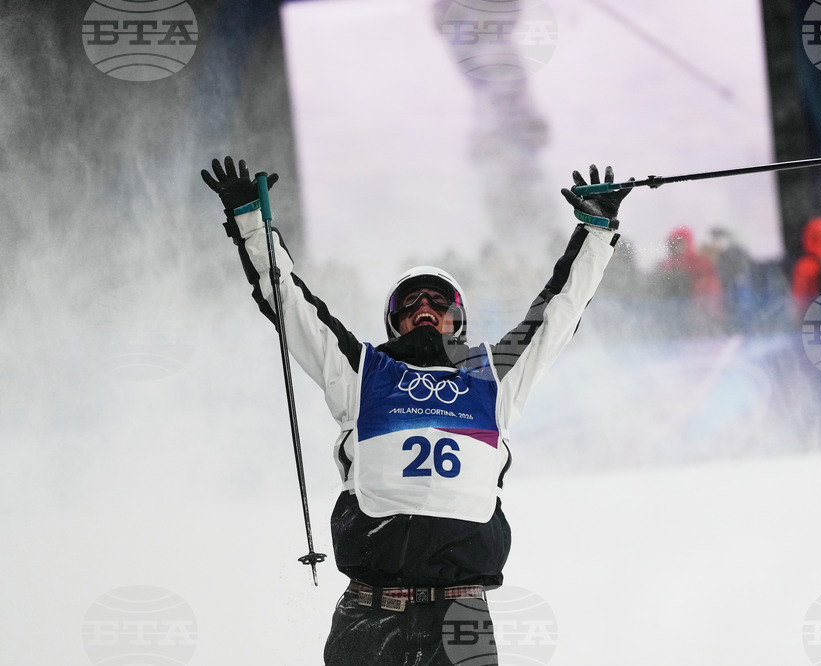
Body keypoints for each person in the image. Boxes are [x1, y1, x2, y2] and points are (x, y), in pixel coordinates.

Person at [201, 157, 630, 666]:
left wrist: (596, 230)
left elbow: (557, 313)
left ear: (459, 320)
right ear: (393, 320)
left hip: (462, 617)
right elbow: (292, 305)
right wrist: (252, 223)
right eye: (411, 302)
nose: (426, 306)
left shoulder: (493, 376)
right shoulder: (362, 373)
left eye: (440, 301)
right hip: (369, 613)